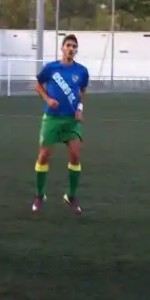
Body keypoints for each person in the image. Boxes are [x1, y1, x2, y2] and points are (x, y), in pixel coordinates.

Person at [33, 34, 89, 214]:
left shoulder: (81, 71)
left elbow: (82, 91)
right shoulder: (51, 68)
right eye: (68, 45)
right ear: (62, 48)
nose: (71, 49)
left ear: (76, 50)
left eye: (74, 46)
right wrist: (47, 99)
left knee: (74, 155)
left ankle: (71, 196)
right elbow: (38, 85)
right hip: (52, 119)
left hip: (72, 121)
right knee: (43, 157)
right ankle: (40, 195)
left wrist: (80, 108)